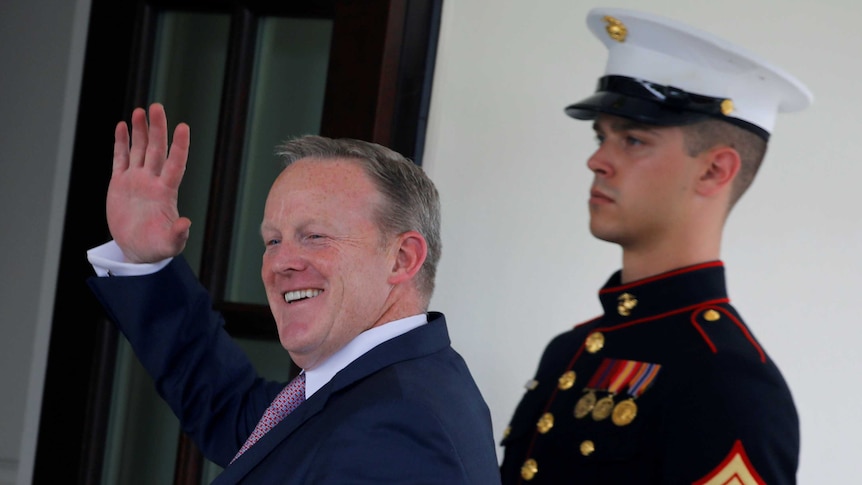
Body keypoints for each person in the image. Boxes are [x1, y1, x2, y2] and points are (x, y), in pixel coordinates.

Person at [86, 102, 502, 484]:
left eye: (315, 236)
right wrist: (144, 262)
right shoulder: (381, 387)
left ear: (402, 258)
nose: (281, 263)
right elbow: (235, 414)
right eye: (272, 241)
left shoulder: (399, 424)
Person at [499, 7, 811, 484]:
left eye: (634, 140)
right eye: (602, 136)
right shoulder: (572, 349)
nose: (597, 159)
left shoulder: (728, 382)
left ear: (714, 171)